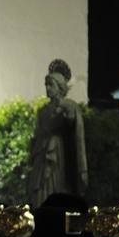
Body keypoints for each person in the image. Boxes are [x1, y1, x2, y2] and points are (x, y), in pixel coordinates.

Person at [26, 59, 87, 205]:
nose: (47, 88)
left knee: (55, 185)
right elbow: (37, 134)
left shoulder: (69, 106)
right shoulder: (42, 111)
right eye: (46, 85)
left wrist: (67, 113)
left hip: (58, 152)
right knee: (38, 188)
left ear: (60, 87)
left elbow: (74, 128)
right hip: (41, 152)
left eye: (50, 85)